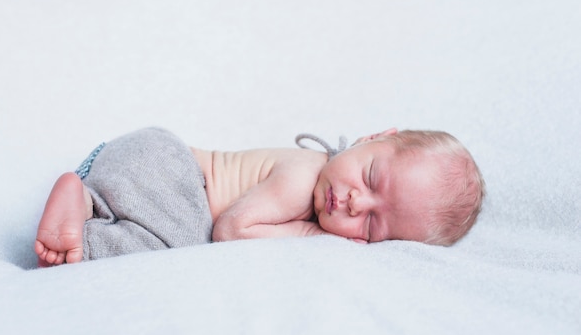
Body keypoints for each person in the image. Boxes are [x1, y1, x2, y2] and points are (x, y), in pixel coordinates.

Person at [34, 127, 485, 266]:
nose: (354, 203)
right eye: (369, 177)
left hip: (133, 164)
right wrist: (309, 234)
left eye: (372, 225)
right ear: (375, 137)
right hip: (168, 169)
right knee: (184, 242)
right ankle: (85, 235)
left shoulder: (322, 179)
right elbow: (230, 230)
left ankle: (86, 202)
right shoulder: (303, 177)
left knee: (169, 233)